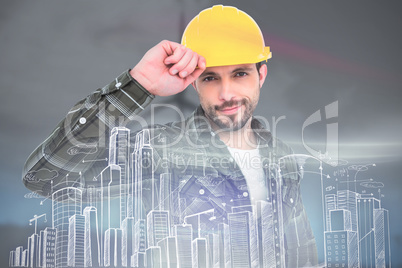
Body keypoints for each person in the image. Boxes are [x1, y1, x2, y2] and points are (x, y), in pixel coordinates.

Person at [23, 5, 318, 267]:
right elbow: (46, 178)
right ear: (193, 82)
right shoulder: (159, 150)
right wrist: (139, 85)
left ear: (261, 76)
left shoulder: (281, 157)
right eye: (211, 77)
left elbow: (301, 252)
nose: (226, 94)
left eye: (240, 73)